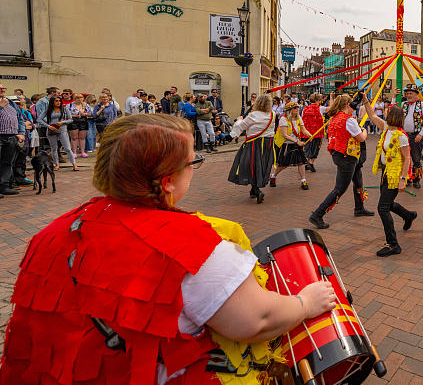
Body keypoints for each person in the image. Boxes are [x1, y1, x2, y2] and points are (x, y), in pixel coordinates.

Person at [0, 114, 337, 383]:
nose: (193, 168)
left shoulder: (54, 232)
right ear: (168, 180)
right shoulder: (193, 245)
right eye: (192, 162)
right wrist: (306, 303)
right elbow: (257, 320)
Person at [309, 93, 372, 230]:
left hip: (341, 154)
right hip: (347, 156)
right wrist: (364, 130)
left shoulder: (335, 118)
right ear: (347, 105)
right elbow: (361, 138)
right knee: (339, 188)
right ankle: (317, 214)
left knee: (358, 181)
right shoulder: (348, 120)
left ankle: (359, 207)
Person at [362, 101, 417, 256]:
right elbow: (372, 115)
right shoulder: (386, 128)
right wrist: (365, 101)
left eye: (387, 111)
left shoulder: (401, 136)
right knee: (387, 203)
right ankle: (408, 215)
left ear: (393, 116)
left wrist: (402, 179)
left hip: (395, 175)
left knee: (383, 208)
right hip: (386, 172)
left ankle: (393, 245)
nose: (384, 112)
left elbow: (407, 159)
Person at [228, 95, 276, 204]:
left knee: (251, 165)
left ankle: (257, 190)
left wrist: (239, 120)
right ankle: (254, 190)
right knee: (260, 165)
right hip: (268, 144)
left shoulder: (253, 115)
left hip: (254, 143)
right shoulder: (273, 114)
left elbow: (241, 127)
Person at [271, 102, 311, 190]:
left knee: (301, 162)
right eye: (295, 108)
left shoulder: (298, 118)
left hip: (296, 143)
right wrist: (297, 141)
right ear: (289, 110)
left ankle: (303, 180)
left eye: (297, 108)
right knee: (283, 165)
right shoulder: (283, 119)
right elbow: (285, 135)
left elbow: (303, 129)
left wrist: (309, 135)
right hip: (286, 144)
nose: (297, 109)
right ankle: (273, 176)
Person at [39, 95, 79, 172]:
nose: (58, 102)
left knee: (67, 148)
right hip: (51, 130)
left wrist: (62, 122)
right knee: (54, 148)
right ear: (52, 102)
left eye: (59, 101)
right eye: (56, 101)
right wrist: (48, 126)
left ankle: (74, 164)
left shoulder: (64, 109)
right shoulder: (48, 110)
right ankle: (56, 164)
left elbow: (71, 120)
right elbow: (39, 119)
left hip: (62, 130)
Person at [401, 84, 423, 188]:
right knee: (404, 158)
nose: (408, 95)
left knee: (416, 159)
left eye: (411, 93)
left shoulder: (421, 105)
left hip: (415, 136)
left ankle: (416, 180)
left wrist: (420, 134)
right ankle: (407, 178)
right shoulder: (403, 104)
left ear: (416, 94)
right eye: (407, 93)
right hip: (404, 136)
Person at [0, 84, 26, 198]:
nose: (2, 90)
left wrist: (21, 133)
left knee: (7, 162)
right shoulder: (3, 103)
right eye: (0, 88)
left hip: (11, 137)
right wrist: (1, 107)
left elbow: (20, 118)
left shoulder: (10, 102)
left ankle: (4, 186)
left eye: (3, 88)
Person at [302, 93, 326, 172]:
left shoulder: (305, 108)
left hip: (307, 133)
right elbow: (332, 109)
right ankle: (311, 163)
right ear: (318, 100)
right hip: (317, 133)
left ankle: (307, 163)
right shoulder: (320, 108)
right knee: (315, 148)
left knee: (308, 148)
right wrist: (332, 98)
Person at [67, 93, 91, 158]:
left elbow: (91, 114)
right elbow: (66, 114)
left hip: (83, 121)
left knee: (82, 137)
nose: (79, 99)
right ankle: (74, 152)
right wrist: (75, 115)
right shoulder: (69, 105)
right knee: (74, 138)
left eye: (81, 98)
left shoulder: (86, 105)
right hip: (73, 121)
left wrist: (85, 114)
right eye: (77, 98)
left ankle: (82, 152)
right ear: (74, 99)